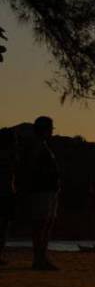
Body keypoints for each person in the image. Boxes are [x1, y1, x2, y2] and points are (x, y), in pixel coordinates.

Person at [23, 116, 60, 271]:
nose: (52, 131)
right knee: (41, 225)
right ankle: (39, 259)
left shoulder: (42, 145)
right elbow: (31, 168)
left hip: (48, 191)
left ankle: (42, 257)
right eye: (50, 128)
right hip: (41, 191)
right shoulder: (37, 146)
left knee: (46, 224)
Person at [0, 128, 17, 265]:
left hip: (7, 193)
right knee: (3, 224)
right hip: (5, 194)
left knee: (4, 225)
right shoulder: (7, 157)